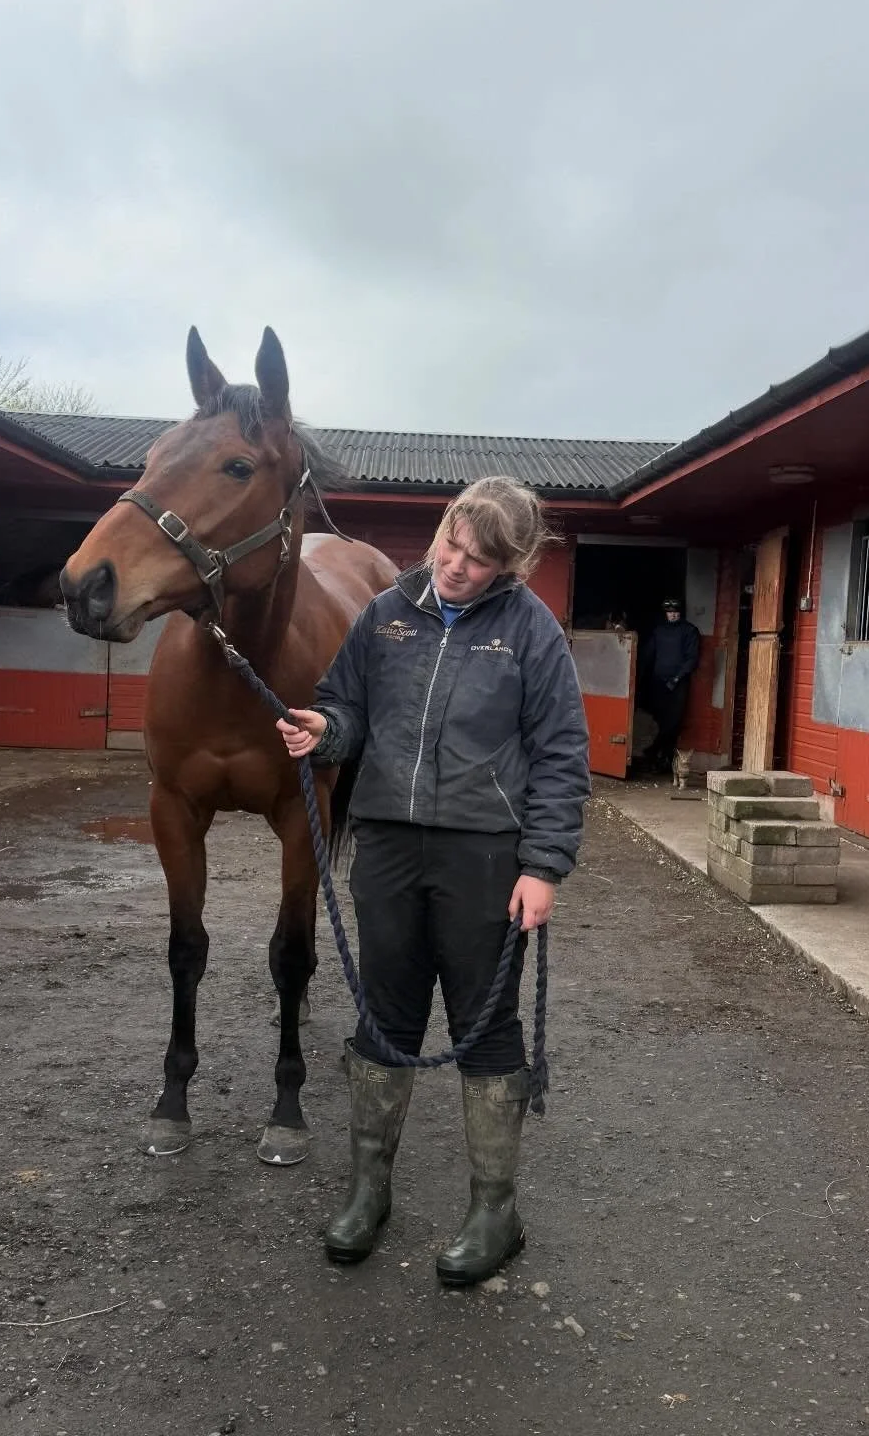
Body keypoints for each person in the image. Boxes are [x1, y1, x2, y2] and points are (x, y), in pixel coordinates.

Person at [277, 475, 590, 1285]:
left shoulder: (531, 632)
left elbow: (561, 756)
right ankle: (368, 1189)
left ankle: (495, 1210)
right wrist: (324, 729)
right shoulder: (385, 617)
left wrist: (544, 866)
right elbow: (346, 708)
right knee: (384, 1016)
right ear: (442, 528)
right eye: (452, 544)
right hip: (386, 847)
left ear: (508, 566)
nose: (454, 565)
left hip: (485, 857)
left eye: (478, 559)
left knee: (485, 1028)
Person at [639, 597, 700, 773]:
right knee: (660, 721)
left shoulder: (689, 631)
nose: (672, 615)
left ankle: (658, 754)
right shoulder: (659, 632)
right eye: (669, 612)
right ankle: (658, 757)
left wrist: (677, 678)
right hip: (658, 683)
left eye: (675, 612)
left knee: (673, 722)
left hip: (678, 684)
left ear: (680, 613)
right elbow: (647, 655)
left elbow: (691, 659)